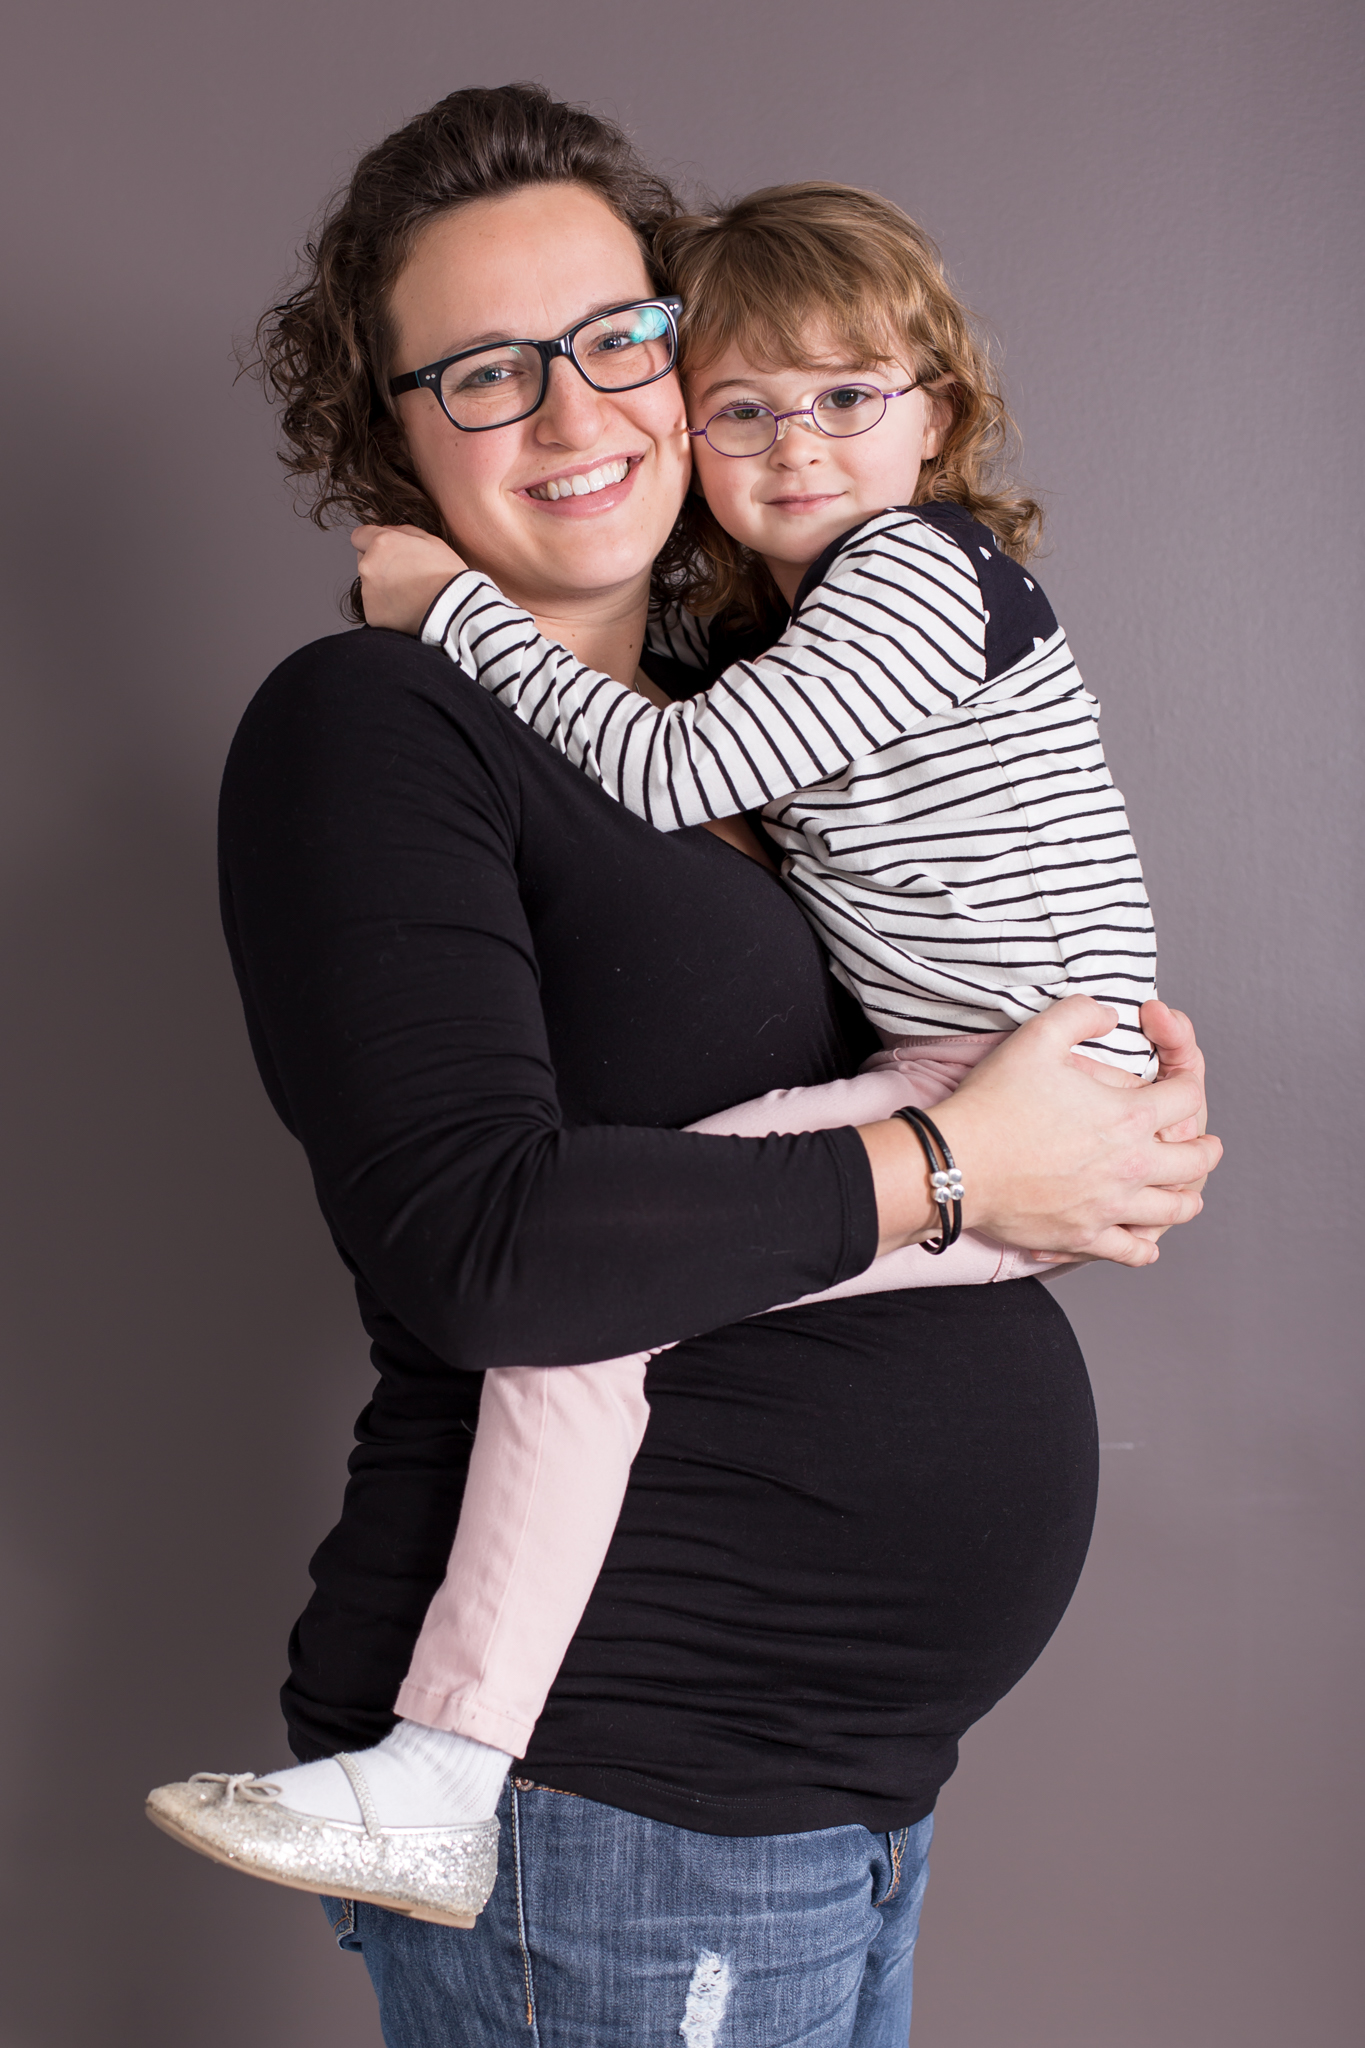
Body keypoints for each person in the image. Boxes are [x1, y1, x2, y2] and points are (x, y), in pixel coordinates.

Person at [146, 85, 1219, 2046]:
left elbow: (939, 1013)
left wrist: (1106, 1123)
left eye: (616, 340)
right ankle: (425, 1767)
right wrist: (959, 1167)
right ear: (390, 432)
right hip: (614, 1792)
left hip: (817, 1793)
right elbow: (480, 1248)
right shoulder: (374, 724)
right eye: (485, 371)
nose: (573, 412)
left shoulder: (763, 707)